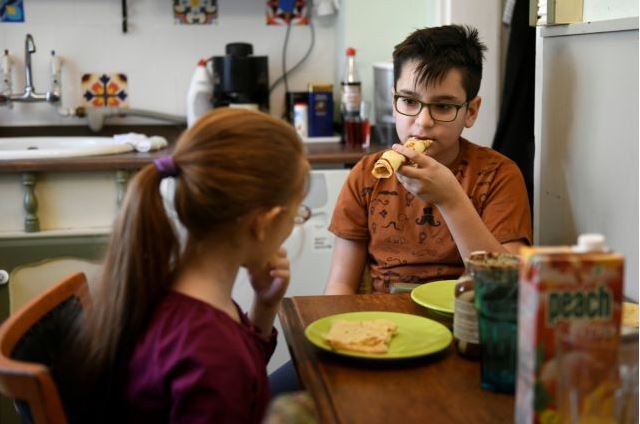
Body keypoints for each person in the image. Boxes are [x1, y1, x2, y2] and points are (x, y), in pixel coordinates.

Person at [69, 108, 309, 423]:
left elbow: (243, 377)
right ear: (264, 223)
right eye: (296, 213)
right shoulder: (213, 353)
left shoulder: (175, 286)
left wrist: (265, 306)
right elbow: (229, 373)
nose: (294, 224)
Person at [325, 24, 532, 295]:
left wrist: (451, 200)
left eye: (443, 106)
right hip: (384, 323)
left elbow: (510, 288)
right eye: (409, 102)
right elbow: (341, 284)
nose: (422, 123)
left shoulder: (498, 175)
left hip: (464, 322)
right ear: (394, 101)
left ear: (471, 111)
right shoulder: (367, 175)